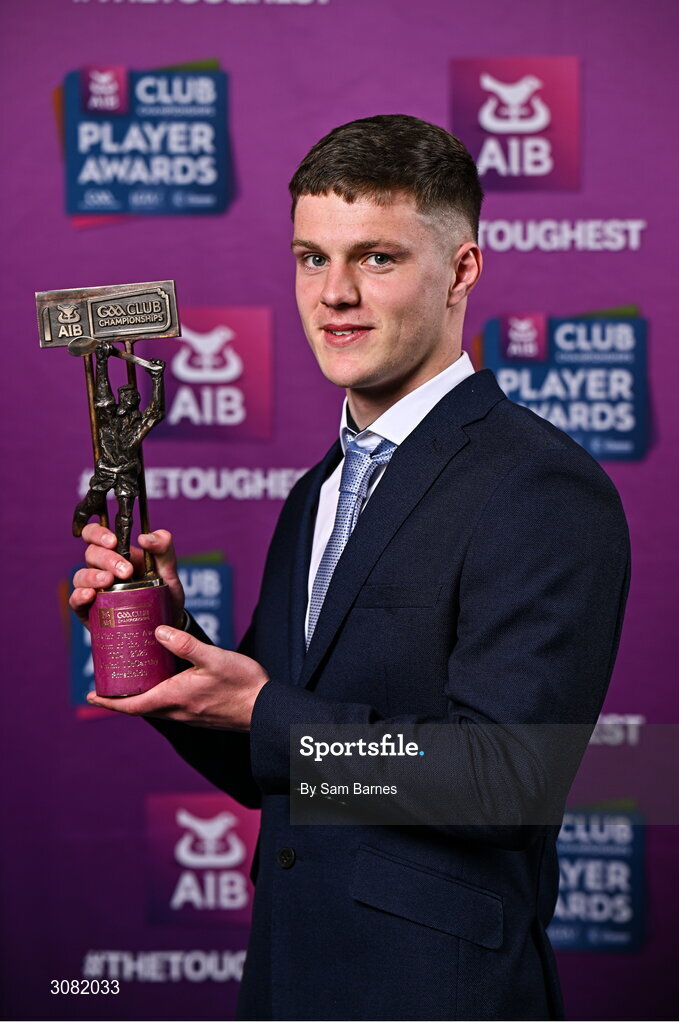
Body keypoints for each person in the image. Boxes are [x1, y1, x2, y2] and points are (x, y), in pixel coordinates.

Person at [70, 115, 630, 1021]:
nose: (333, 294)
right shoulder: (317, 491)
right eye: (309, 257)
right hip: (291, 986)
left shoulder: (538, 485)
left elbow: (504, 785)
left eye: (375, 258)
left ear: (460, 271)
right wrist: (175, 652)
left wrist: (263, 707)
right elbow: (280, 765)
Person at [72, 339, 165, 561]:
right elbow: (102, 394)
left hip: (127, 471)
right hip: (106, 469)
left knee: (126, 515)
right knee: (94, 500)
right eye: (126, 396)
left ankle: (123, 553)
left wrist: (157, 378)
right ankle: (83, 512)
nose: (130, 399)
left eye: (134, 397)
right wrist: (101, 361)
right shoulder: (108, 416)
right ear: (121, 398)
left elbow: (156, 411)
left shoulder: (140, 423)